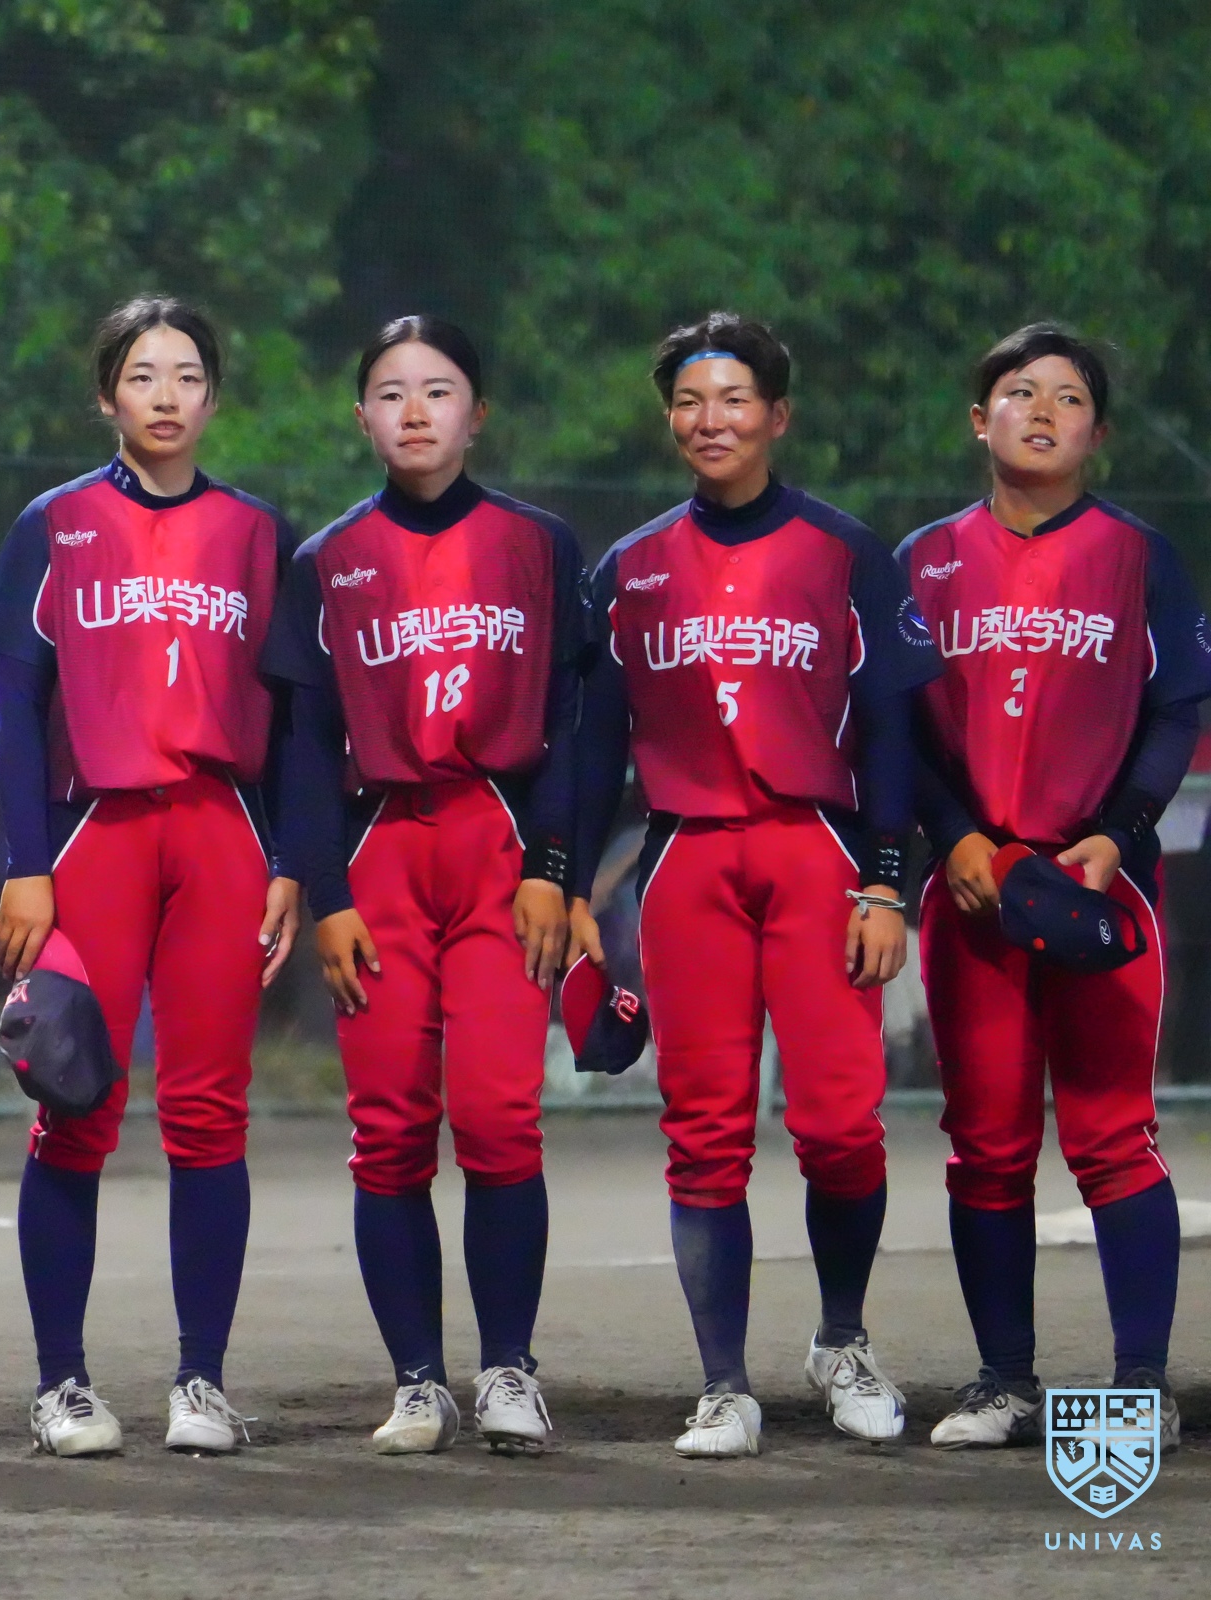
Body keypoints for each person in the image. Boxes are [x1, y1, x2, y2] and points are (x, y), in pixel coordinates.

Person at [570, 311, 940, 1459]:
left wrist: (889, 880)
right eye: (689, 400)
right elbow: (594, 744)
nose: (710, 418)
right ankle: (723, 1384)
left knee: (840, 1125)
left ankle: (842, 1339)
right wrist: (566, 879)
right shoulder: (628, 568)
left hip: (818, 852)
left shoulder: (844, 551)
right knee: (704, 1131)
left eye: (734, 398)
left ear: (777, 415)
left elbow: (892, 730)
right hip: (687, 857)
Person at [0, 296, 299, 1458]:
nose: (167, 395)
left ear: (213, 397)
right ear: (106, 394)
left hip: (219, 832)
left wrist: (288, 861)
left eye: (188, 375)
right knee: (73, 1102)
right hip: (94, 835)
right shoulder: (55, 524)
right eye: (143, 374)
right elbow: (15, 709)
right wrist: (25, 864)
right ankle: (60, 1382)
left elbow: (293, 720)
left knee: (210, 1114)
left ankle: (200, 1380)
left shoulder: (257, 533)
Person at [265, 317, 585, 1455]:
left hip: (501, 843)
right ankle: (416, 1380)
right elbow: (304, 746)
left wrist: (555, 866)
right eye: (391, 392)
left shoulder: (539, 544)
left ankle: (507, 1369)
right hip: (381, 853)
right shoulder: (328, 559)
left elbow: (576, 722)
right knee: (390, 1130)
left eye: (438, 390)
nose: (414, 411)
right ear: (361, 417)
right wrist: (327, 892)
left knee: (498, 1118)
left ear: (476, 413)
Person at [900, 325, 1210, 1450]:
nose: (1041, 409)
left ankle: (1140, 1382)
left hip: (1097, 884)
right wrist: (952, 836)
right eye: (1018, 390)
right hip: (975, 888)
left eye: (1069, 397)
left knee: (1113, 1135)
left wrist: (1121, 835)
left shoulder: (1139, 555)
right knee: (985, 1142)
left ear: (1099, 433)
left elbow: (1178, 708)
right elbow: (896, 724)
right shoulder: (925, 560)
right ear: (977, 419)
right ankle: (1003, 1380)